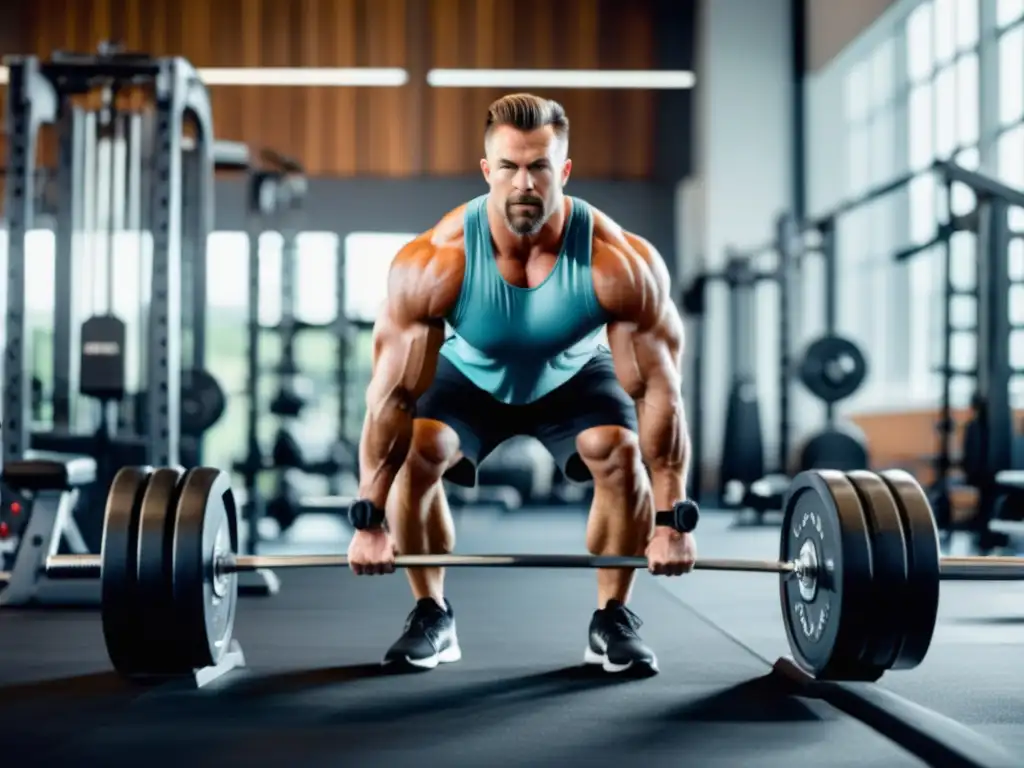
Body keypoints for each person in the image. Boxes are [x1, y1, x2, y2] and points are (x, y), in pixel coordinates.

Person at [347, 93, 696, 677]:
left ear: (562, 170)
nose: (524, 184)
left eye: (539, 166)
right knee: (419, 449)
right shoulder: (437, 261)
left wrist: (672, 522)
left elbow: (659, 392)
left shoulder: (618, 264)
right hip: (469, 370)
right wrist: (369, 520)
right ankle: (431, 612)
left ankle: (612, 617)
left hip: (574, 371)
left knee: (620, 451)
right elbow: (392, 396)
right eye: (509, 167)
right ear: (488, 171)